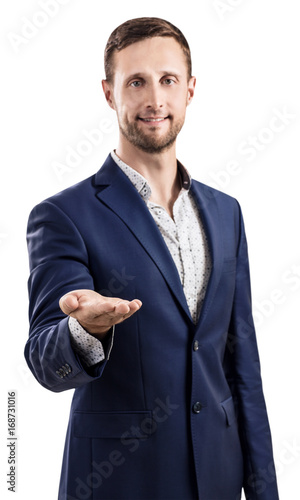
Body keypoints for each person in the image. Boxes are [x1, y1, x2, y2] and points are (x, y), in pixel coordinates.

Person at [25, 17, 279, 500]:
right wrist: (85, 330)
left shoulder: (227, 213)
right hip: (121, 481)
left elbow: (242, 363)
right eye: (135, 82)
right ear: (108, 92)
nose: (154, 99)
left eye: (167, 80)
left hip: (218, 477)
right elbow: (43, 357)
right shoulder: (63, 215)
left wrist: (264, 490)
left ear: (190, 89)